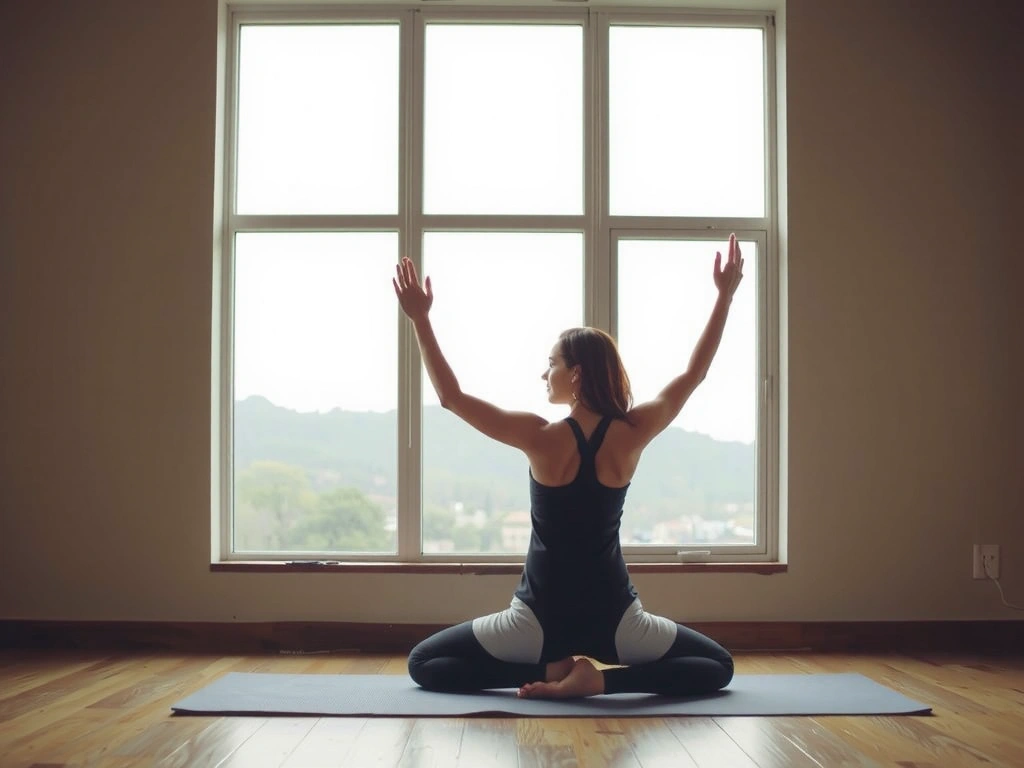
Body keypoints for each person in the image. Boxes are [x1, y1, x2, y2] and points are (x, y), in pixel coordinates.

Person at [393, 234, 745, 699]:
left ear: (575, 373)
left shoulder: (541, 438)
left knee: (424, 663)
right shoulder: (632, 432)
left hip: (536, 620)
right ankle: (600, 680)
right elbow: (694, 375)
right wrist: (725, 296)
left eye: (551, 364)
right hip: (617, 617)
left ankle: (548, 671)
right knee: (717, 666)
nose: (544, 374)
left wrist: (420, 319)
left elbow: (451, 398)